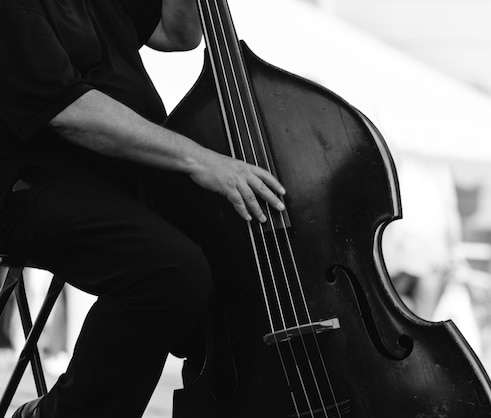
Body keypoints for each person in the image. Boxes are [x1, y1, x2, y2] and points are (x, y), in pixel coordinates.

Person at [0, 0, 286, 417]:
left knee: (235, 247)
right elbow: (67, 111)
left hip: (115, 175)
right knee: (169, 271)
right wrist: (198, 157)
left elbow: (178, 34)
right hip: (27, 181)